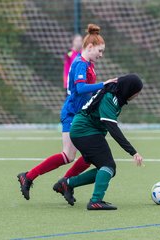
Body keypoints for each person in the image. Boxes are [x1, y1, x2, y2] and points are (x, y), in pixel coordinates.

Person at [17, 24, 117, 200]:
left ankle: (65, 183)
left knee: (88, 156)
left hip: (81, 116)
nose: (101, 55)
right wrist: (103, 84)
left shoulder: (89, 64)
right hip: (72, 113)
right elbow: (80, 89)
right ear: (90, 47)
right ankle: (29, 176)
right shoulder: (80, 64)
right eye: (99, 51)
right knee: (68, 155)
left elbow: (89, 92)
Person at [54, 74, 143, 210]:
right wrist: (133, 152)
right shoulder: (110, 98)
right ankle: (95, 201)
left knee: (107, 168)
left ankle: (67, 183)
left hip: (86, 131)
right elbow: (112, 128)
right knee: (108, 166)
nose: (137, 95)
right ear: (129, 89)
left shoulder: (114, 95)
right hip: (84, 131)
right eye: (136, 92)